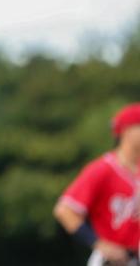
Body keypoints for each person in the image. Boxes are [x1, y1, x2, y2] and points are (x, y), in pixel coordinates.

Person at [53, 103, 140, 266]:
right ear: (127, 131)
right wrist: (99, 244)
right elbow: (65, 210)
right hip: (110, 261)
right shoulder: (102, 169)